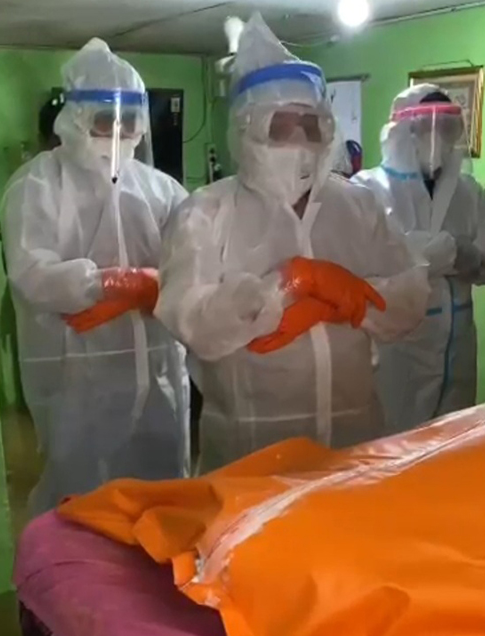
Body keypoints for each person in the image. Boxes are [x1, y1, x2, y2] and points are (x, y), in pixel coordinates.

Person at [156, 14, 429, 474]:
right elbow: (197, 325)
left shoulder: (358, 205)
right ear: (246, 128)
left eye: (311, 124)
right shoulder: (205, 213)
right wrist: (289, 283)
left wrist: (335, 304)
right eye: (281, 125)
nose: (300, 141)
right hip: (252, 451)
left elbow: (411, 298)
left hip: (352, 444)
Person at [2, 38, 191, 516]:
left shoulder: (162, 189)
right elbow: (31, 272)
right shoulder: (38, 184)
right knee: (81, 500)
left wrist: (149, 284)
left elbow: (196, 268)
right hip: (78, 380)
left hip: (159, 376)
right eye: (106, 120)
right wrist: (107, 284)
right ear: (75, 119)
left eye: (129, 121)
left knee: (162, 498)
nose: (119, 132)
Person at [354, 84, 485, 433]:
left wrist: (458, 255)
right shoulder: (367, 190)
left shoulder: (466, 191)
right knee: (392, 443)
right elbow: (372, 260)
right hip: (398, 350)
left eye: (446, 128)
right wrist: (448, 252)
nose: (436, 137)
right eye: (426, 126)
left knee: (452, 443)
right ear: (402, 131)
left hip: (458, 347)